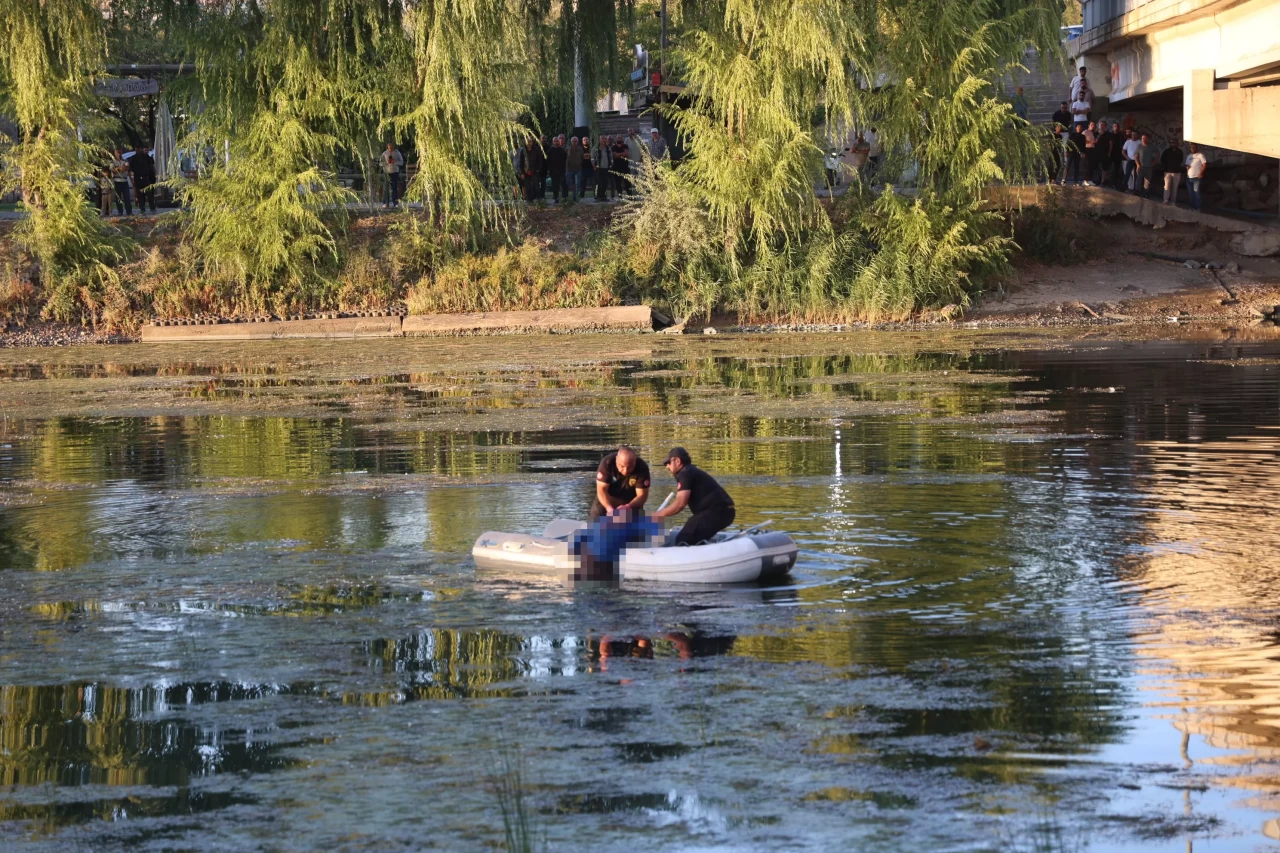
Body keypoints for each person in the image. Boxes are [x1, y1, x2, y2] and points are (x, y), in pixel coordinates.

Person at [652, 447, 736, 546]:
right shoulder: (690, 471)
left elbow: (680, 504)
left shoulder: (684, 473)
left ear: (677, 461)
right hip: (725, 511)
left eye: (668, 462)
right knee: (693, 533)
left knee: (683, 539)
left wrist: (658, 515)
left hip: (717, 512)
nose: (667, 466)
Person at [590, 446, 651, 519]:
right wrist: (609, 508)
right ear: (616, 459)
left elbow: (642, 495)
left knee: (636, 524)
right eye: (622, 466)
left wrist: (628, 507)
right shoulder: (607, 463)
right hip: (608, 499)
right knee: (595, 521)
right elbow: (601, 490)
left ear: (635, 461)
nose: (625, 471)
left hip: (631, 501)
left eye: (630, 467)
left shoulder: (642, 467)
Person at [516, 135, 545, 202]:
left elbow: (540, 160)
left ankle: (539, 199)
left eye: (530, 142)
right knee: (527, 186)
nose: (529, 143)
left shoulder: (536, 150)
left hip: (535, 170)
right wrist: (522, 172)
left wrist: (538, 169)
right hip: (526, 171)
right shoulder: (523, 150)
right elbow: (521, 162)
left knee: (536, 186)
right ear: (525, 142)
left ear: (532, 142)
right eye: (528, 142)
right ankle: (529, 200)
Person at [128, 144, 156, 213]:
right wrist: (132, 178)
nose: (138, 151)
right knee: (140, 194)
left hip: (146, 177)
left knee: (149, 193)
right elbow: (130, 168)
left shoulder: (146, 157)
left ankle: (152, 208)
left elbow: (151, 166)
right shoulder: (133, 158)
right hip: (137, 177)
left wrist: (153, 176)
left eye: (139, 149)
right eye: (136, 149)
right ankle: (142, 208)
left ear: (141, 149)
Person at [1160, 139, 1184, 205]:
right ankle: (1165, 200)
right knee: (1167, 186)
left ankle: (1173, 201)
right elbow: (1162, 160)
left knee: (1175, 188)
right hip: (1167, 172)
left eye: (1174, 143)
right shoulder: (1166, 151)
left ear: (1177, 144)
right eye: (1171, 143)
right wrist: (1165, 168)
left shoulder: (1180, 151)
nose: (1172, 144)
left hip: (1177, 172)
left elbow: (1181, 160)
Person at [1185, 142, 1207, 211]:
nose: (1193, 148)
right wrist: (1187, 167)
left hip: (1196, 178)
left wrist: (1200, 173)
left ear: (1197, 148)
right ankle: (1192, 207)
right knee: (1191, 194)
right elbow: (1186, 165)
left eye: (1194, 147)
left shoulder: (1200, 155)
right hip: (1189, 178)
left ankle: (1197, 208)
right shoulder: (1189, 156)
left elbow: (1204, 165)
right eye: (1191, 147)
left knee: (1196, 193)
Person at [111, 148, 132, 216]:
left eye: (120, 152)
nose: (119, 154)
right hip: (117, 181)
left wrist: (118, 169)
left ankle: (129, 211)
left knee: (127, 197)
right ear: (115, 153)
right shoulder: (113, 162)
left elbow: (126, 167)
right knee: (118, 198)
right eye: (117, 153)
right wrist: (120, 169)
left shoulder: (125, 160)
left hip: (124, 181)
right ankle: (120, 211)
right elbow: (113, 170)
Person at [380, 142, 403, 207]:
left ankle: (395, 202)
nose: (390, 148)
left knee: (394, 187)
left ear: (393, 146)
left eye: (391, 147)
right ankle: (385, 202)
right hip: (386, 172)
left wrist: (395, 162)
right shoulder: (384, 153)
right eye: (389, 147)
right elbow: (380, 163)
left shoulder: (397, 153)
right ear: (387, 147)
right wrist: (386, 162)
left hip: (395, 171)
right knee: (386, 188)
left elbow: (401, 162)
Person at [1134, 132, 1155, 198]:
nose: (1143, 140)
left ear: (1148, 139)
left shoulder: (1151, 146)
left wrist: (1154, 162)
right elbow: (1136, 156)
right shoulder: (1139, 146)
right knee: (1138, 179)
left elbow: (1157, 154)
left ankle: (1146, 193)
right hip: (1141, 166)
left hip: (1149, 167)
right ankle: (1137, 191)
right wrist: (1138, 165)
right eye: (1142, 138)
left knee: (1147, 181)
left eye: (1145, 138)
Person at [547, 135, 567, 202]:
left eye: (557, 141)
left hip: (562, 170)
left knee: (563, 184)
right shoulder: (549, 151)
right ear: (553, 142)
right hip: (553, 171)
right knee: (555, 185)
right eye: (555, 141)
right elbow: (548, 162)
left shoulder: (562, 151)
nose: (556, 142)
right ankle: (556, 197)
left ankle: (564, 197)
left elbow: (565, 160)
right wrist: (550, 169)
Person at [625, 127, 645, 194]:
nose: (630, 132)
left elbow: (644, 149)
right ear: (628, 132)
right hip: (631, 163)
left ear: (634, 131)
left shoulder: (639, 138)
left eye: (631, 130)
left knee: (640, 178)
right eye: (629, 131)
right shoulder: (626, 140)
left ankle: (641, 193)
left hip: (639, 161)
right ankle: (634, 194)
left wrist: (642, 158)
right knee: (632, 179)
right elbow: (625, 150)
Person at [593, 135, 613, 201]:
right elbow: (592, 158)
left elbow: (611, 158)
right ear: (600, 139)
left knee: (605, 183)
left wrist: (611, 165)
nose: (604, 140)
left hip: (606, 168)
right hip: (598, 168)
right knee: (598, 183)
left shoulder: (608, 148)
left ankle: (603, 196)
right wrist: (594, 166)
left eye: (605, 138)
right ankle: (597, 196)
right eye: (602, 138)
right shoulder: (596, 148)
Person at [565, 136, 584, 202]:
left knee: (577, 184)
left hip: (578, 169)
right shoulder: (567, 149)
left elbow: (582, 158)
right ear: (571, 142)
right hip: (569, 169)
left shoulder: (580, 149)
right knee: (567, 183)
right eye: (573, 141)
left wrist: (580, 163)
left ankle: (575, 197)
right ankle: (565, 197)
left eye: (575, 141)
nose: (574, 142)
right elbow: (565, 158)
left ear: (577, 142)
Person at [1082, 121, 1098, 186]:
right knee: (1086, 165)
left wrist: (1095, 141)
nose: (1093, 126)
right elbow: (1082, 140)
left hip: (1093, 149)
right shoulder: (1085, 132)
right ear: (1089, 125)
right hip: (1087, 149)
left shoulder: (1094, 133)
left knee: (1091, 165)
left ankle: (1090, 180)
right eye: (1091, 125)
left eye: (1094, 125)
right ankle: (1085, 180)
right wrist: (1091, 142)